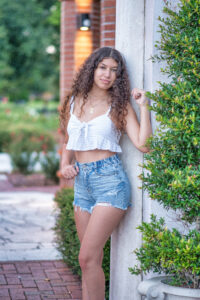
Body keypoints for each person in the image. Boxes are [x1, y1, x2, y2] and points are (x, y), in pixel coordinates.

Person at [60, 47, 152, 300]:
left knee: (86, 257)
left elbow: (143, 144)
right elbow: (69, 140)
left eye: (114, 70)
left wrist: (143, 106)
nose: (107, 74)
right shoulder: (73, 100)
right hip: (82, 183)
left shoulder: (119, 106)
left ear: (118, 76)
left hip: (110, 182)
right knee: (90, 261)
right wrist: (64, 165)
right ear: (93, 68)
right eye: (103, 67)